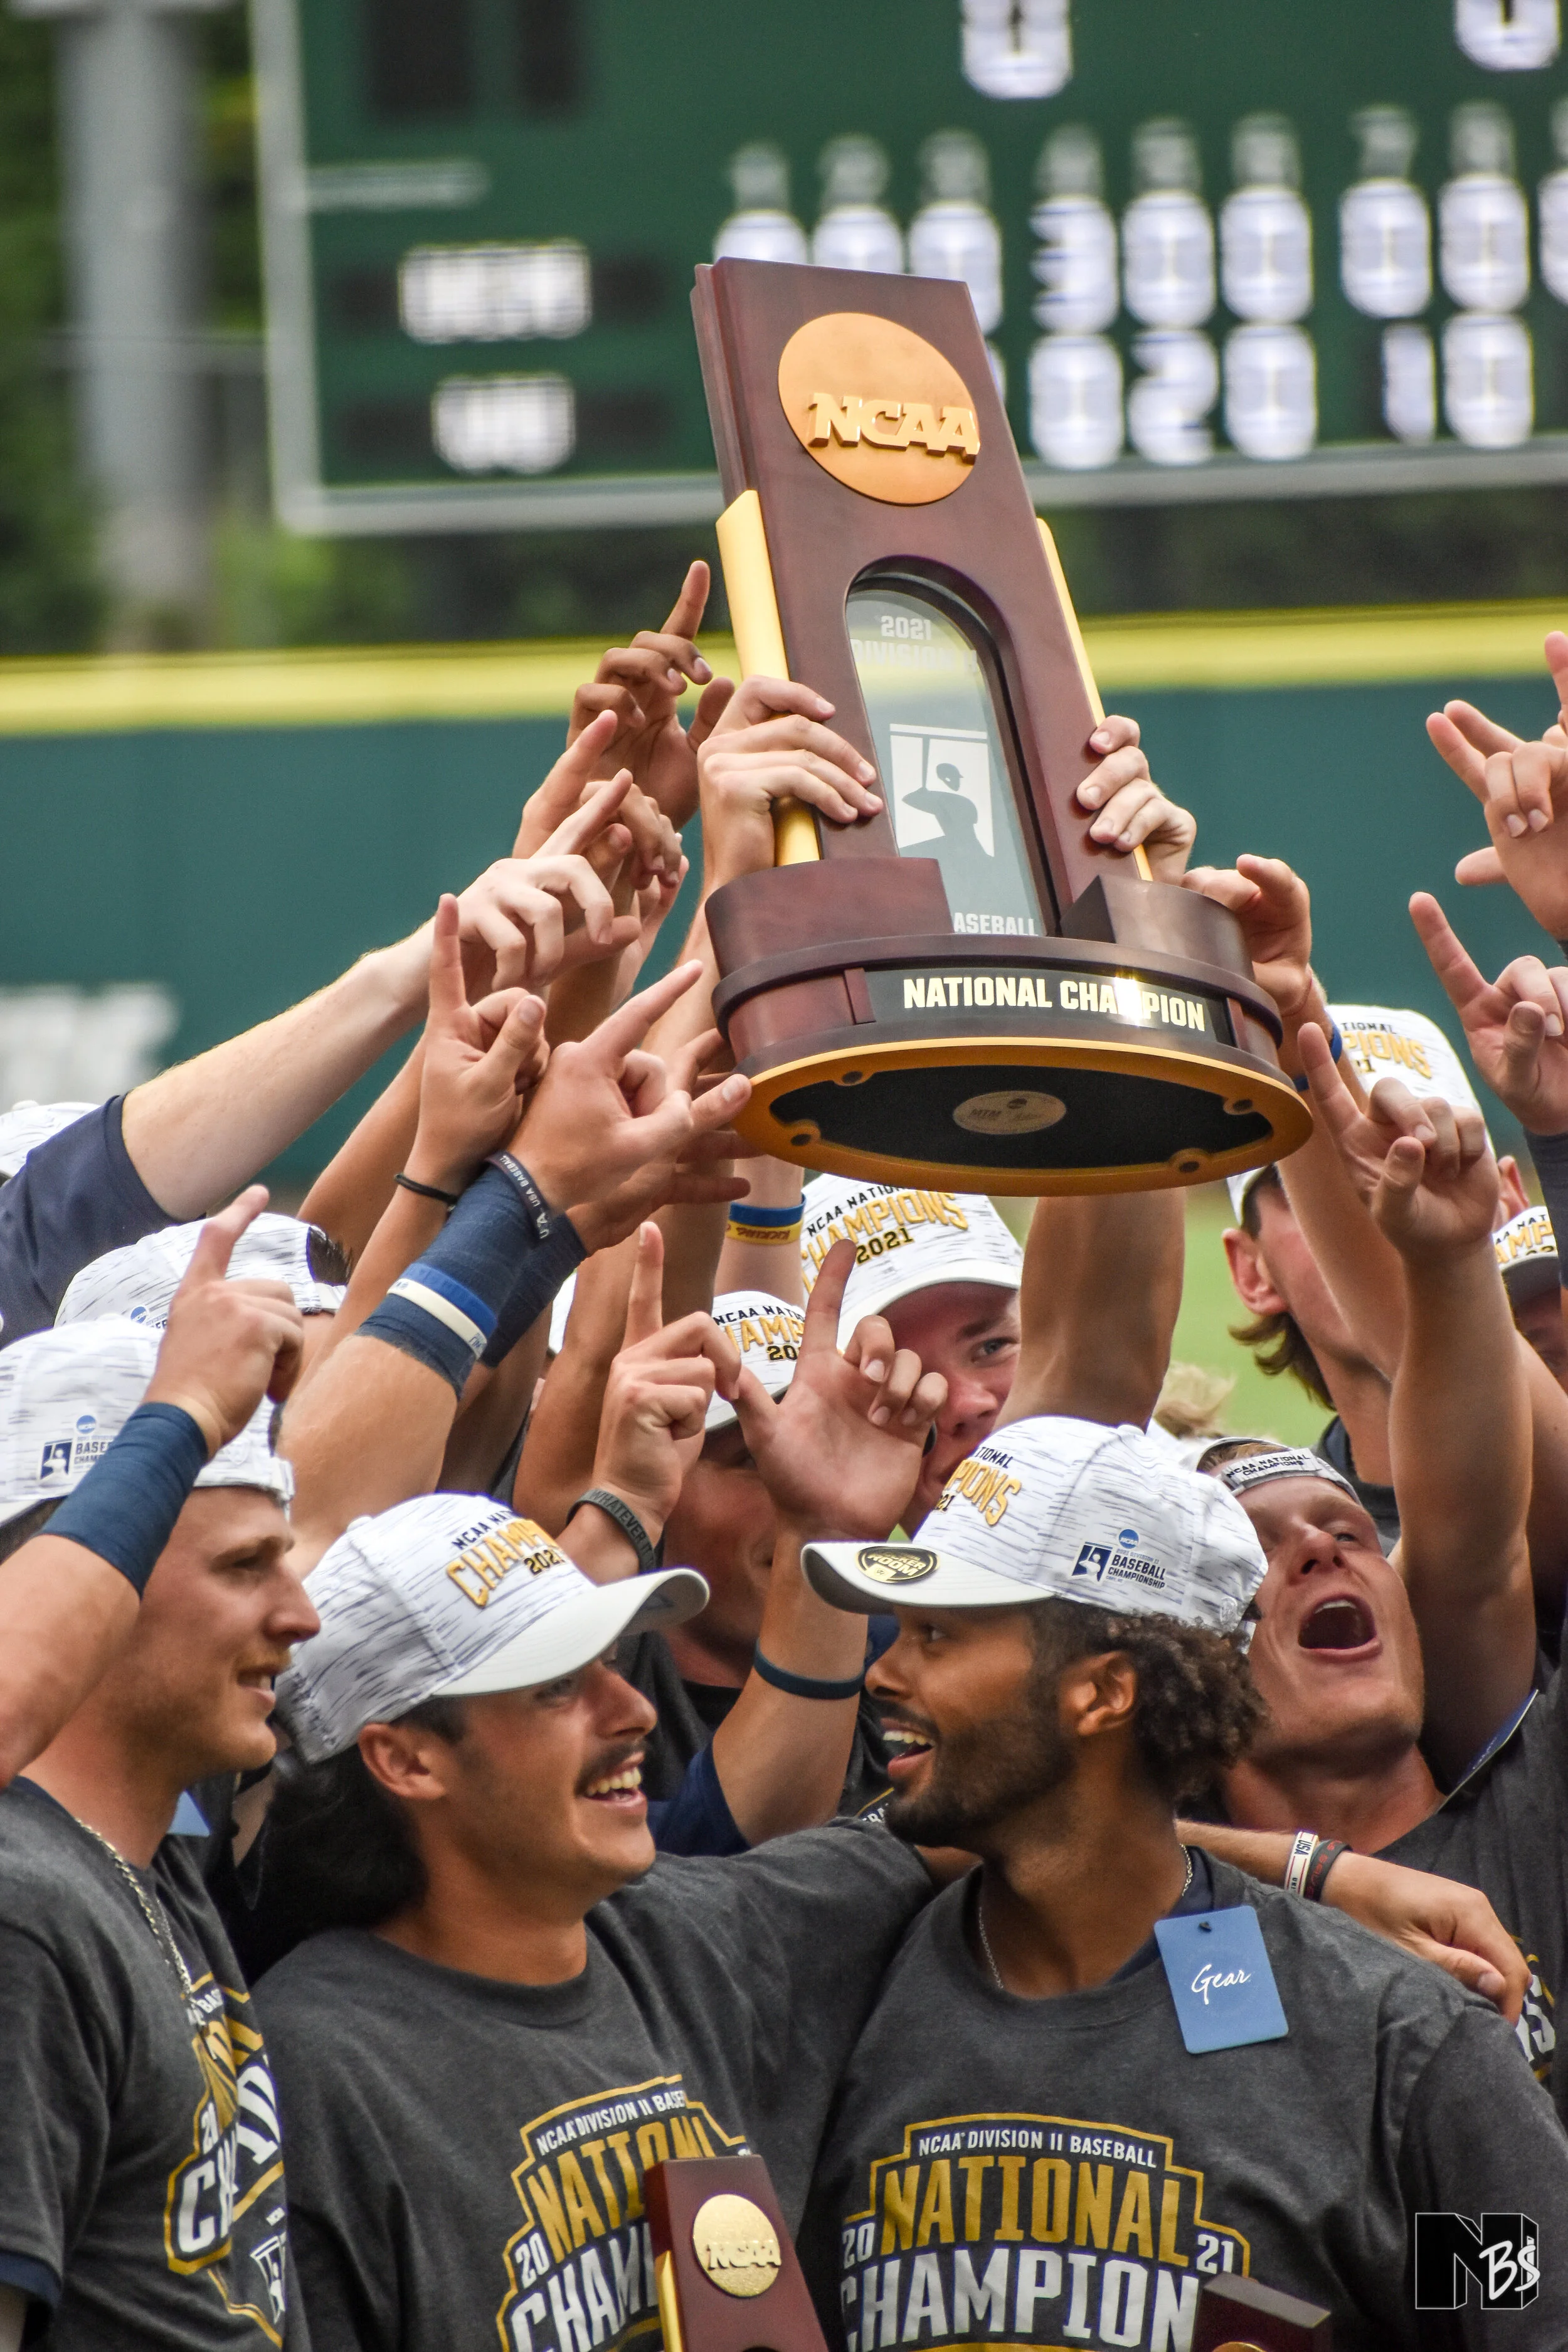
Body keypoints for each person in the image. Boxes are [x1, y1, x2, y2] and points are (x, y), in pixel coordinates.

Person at [795, 1414, 1568, 2351]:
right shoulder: (838, 1989)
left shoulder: (1395, 2050)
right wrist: (1313, 1865)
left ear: (1104, 1693)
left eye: (938, 1635)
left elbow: (1517, 2314)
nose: (883, 1671)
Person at [1190, 1026, 1565, 2121]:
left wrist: (1452, 1261)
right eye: (1251, 1552)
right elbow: (951, 1835)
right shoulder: (1169, 1913)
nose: (1317, 1547)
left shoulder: (1534, 1799)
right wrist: (1317, 1873)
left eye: (1352, 1530)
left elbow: (1477, 1539)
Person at [0, 1196, 313, 2350]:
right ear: (90, 1577)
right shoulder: (24, 1912)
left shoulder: (154, 1855)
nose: (303, 1613)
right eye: (245, 1566)